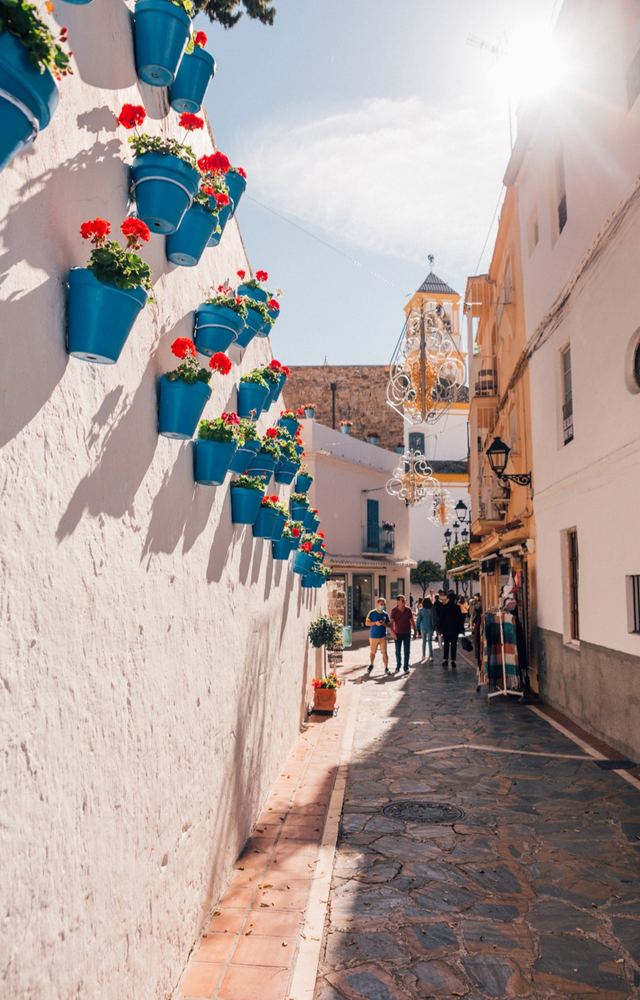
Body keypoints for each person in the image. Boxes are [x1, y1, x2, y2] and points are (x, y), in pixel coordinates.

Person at [438, 590, 465, 669]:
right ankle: (453, 660)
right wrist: (462, 628)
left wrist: (438, 628)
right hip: (455, 629)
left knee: (446, 644)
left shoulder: (444, 607)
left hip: (446, 629)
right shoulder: (457, 607)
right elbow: (460, 619)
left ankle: (445, 659)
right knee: (454, 644)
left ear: (448, 598)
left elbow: (441, 618)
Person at [365, 598, 392, 676]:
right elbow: (367, 623)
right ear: (377, 604)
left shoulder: (385, 614)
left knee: (384, 652)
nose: (382, 606)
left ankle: (386, 667)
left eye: (384, 604)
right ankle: (371, 664)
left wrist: (384, 624)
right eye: (381, 604)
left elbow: (389, 625)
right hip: (373, 636)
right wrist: (375, 623)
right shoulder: (372, 613)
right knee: (373, 652)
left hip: (383, 636)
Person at [390, 595, 416, 675]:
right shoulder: (394, 610)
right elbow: (391, 623)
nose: (404, 602)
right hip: (397, 633)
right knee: (397, 651)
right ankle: (398, 665)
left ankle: (406, 667)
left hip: (407, 633)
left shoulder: (408, 610)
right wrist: (392, 633)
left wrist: (415, 631)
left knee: (407, 651)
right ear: (398, 601)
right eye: (402, 600)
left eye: (404, 600)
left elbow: (412, 621)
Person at [416, 598, 436, 663]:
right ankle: (431, 656)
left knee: (424, 641)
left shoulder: (421, 610)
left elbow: (418, 619)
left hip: (423, 627)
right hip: (430, 627)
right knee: (430, 641)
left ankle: (423, 655)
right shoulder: (432, 609)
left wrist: (417, 628)